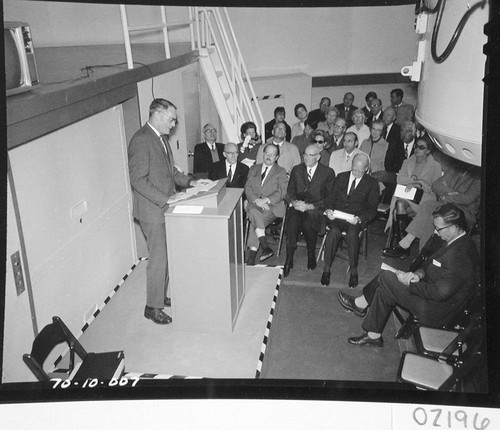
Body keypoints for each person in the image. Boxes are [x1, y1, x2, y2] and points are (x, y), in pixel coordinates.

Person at [337, 203, 479, 348]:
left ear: (454, 228)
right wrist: (417, 274)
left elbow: (439, 294)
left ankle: (360, 304)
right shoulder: (451, 240)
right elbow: (429, 264)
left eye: (438, 228)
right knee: (384, 288)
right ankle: (373, 336)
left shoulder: (461, 256)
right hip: (429, 292)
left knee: (386, 277)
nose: (435, 232)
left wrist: (410, 283)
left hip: (437, 309)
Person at [128, 98, 210, 325]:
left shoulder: (161, 139)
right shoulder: (141, 140)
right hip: (153, 211)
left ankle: (159, 297)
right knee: (159, 259)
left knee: (164, 257)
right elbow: (138, 180)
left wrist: (192, 183)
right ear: (157, 114)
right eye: (171, 119)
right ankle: (152, 307)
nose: (174, 125)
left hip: (164, 208)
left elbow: (171, 172)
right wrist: (167, 198)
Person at [385, 158, 481, 258]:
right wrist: (450, 192)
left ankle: (419, 253)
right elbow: (436, 185)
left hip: (464, 213)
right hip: (446, 205)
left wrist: (446, 195)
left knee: (433, 218)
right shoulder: (456, 169)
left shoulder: (479, 176)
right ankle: (410, 245)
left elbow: (467, 199)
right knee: (428, 205)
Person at [322, 153, 379, 288]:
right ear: (351, 165)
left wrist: (360, 219)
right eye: (354, 169)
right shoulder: (341, 177)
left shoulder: (372, 183)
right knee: (333, 232)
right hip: (337, 217)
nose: (356, 173)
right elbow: (330, 199)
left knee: (353, 234)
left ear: (366, 169)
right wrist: (329, 210)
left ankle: (354, 270)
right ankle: (326, 269)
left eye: (360, 171)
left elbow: (372, 210)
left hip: (354, 219)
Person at [382, 138, 442, 258]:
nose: (417, 149)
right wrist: (416, 182)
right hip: (407, 198)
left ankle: (401, 247)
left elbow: (434, 189)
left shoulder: (435, 166)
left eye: (421, 147)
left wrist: (418, 183)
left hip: (424, 202)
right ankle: (403, 246)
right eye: (416, 146)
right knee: (399, 204)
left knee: (398, 208)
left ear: (428, 150)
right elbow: (400, 179)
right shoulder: (407, 162)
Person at [283, 144, 336, 277]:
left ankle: (311, 254)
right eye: (305, 154)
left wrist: (312, 206)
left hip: (315, 209)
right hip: (298, 206)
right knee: (292, 222)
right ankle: (288, 258)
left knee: (308, 224)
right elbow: (289, 192)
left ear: (318, 157)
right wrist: (294, 202)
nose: (306, 157)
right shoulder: (297, 169)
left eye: (310, 155)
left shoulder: (328, 173)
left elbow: (330, 198)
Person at [244, 144, 288, 265]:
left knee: (254, 216)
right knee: (254, 213)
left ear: (277, 157)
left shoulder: (281, 171)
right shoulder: (254, 169)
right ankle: (263, 248)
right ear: (263, 154)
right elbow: (247, 187)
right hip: (255, 204)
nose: (269, 156)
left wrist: (266, 199)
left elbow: (282, 192)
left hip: (272, 207)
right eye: (267, 153)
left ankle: (253, 255)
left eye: (272, 154)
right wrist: (256, 200)